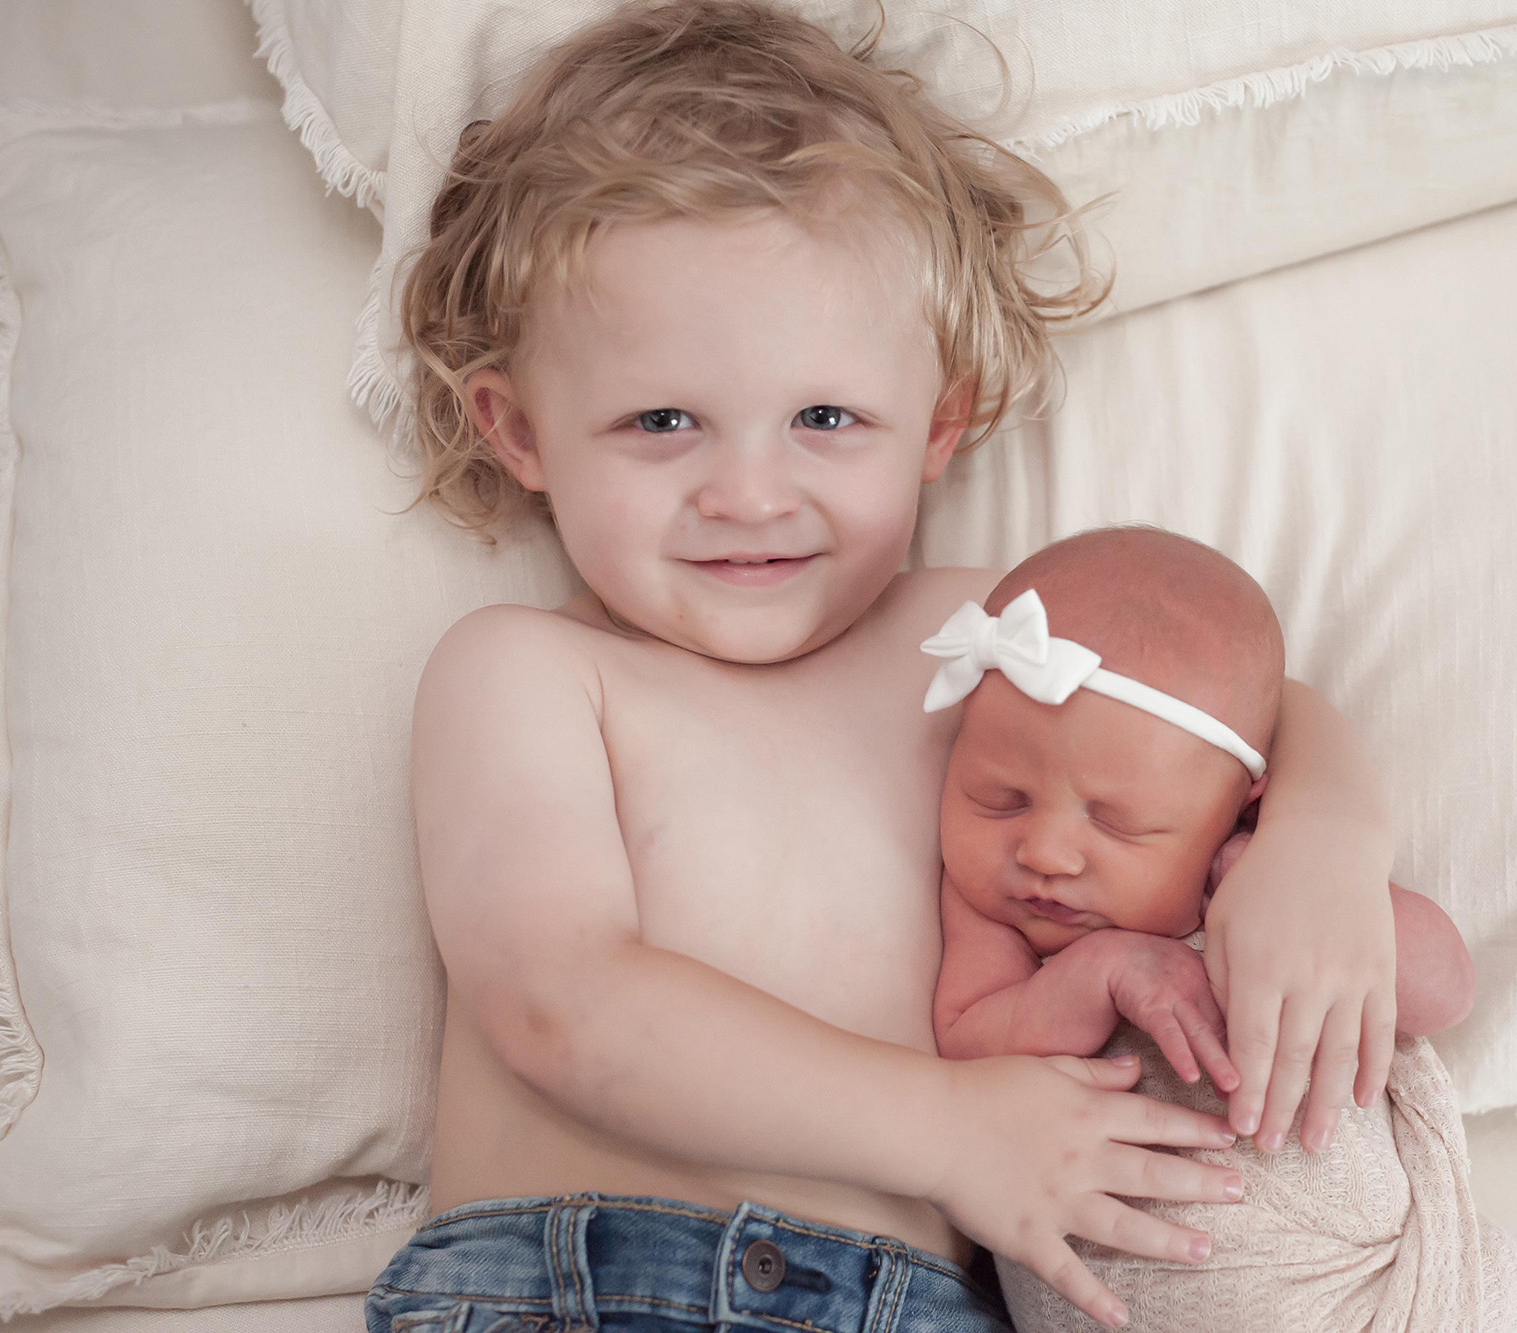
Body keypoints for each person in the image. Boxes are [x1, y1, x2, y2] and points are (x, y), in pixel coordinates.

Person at [371, 4, 1401, 1331]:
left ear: (940, 420)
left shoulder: (987, 639)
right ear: (518, 430)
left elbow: (1236, 699)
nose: (750, 493)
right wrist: (953, 1128)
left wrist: (1325, 836)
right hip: (586, 1279)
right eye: (662, 421)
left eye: (824, 419)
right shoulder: (527, 673)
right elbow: (563, 998)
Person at [929, 527, 1517, 1331]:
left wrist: (1291, 880)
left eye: (1118, 824)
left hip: (1371, 1287)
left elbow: (1444, 987)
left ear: (1235, 811)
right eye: (998, 799)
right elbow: (967, 1044)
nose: (1042, 851)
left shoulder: (1269, 889)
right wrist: (1099, 973)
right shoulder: (997, 912)